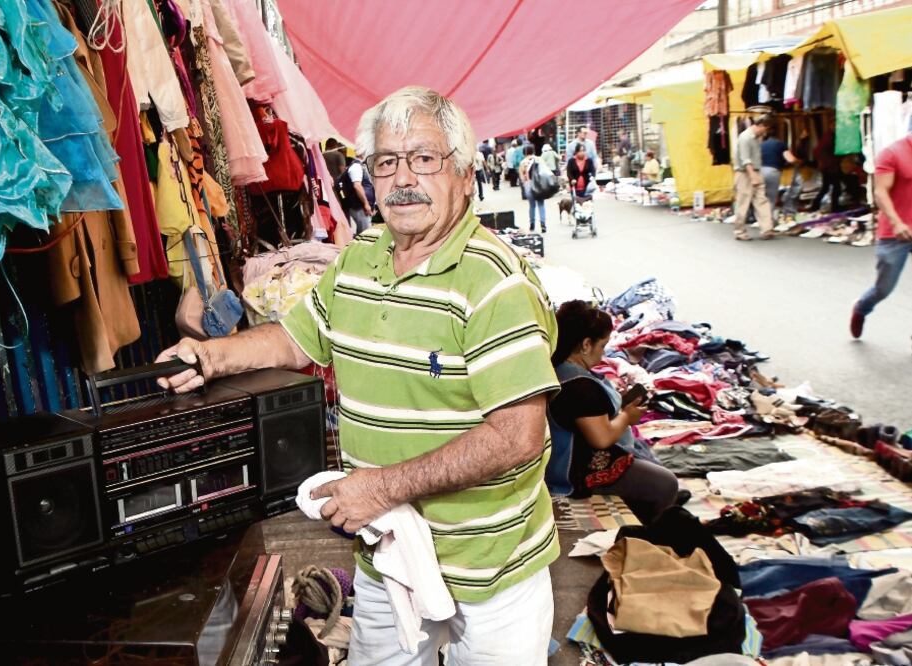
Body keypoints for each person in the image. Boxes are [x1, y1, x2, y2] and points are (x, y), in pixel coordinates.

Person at [155, 86, 560, 665]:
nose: (402, 179)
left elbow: (515, 437)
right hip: (389, 553)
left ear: (465, 174)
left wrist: (378, 488)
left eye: (424, 158)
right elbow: (297, 338)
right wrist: (212, 357)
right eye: (386, 162)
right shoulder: (360, 255)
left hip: (491, 567)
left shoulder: (496, 283)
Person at [546, 300, 678, 524]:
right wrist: (627, 417)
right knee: (667, 484)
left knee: (645, 458)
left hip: (555, 457)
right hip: (571, 473)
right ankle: (646, 537)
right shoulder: (579, 386)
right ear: (586, 344)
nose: (603, 353)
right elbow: (602, 438)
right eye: (602, 345)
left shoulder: (556, 368)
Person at [850, 132, 912, 340]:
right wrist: (896, 222)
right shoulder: (893, 153)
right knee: (884, 288)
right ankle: (861, 308)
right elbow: (880, 192)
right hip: (896, 232)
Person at [732, 115, 775, 241]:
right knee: (743, 202)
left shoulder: (756, 138)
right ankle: (739, 231)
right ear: (761, 125)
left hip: (756, 170)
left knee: (761, 199)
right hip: (745, 173)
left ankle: (767, 229)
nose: (765, 132)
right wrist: (753, 176)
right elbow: (746, 160)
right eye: (765, 128)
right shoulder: (745, 137)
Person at [760, 130, 795, 218]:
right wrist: (798, 161)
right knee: (771, 197)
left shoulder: (761, 144)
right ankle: (768, 221)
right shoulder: (780, 144)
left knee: (761, 196)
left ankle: (759, 218)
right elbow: (790, 159)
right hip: (772, 171)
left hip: (760, 171)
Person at [340, 155, 376, 233]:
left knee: (363, 232)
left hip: (361, 205)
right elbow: (357, 186)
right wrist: (366, 204)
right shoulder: (356, 167)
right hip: (359, 206)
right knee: (365, 233)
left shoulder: (361, 166)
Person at [519, 145, 547, 232]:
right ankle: (543, 224)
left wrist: (525, 183)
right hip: (539, 185)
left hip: (529, 186)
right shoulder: (539, 159)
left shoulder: (523, 162)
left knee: (532, 206)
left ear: (524, 153)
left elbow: (522, 177)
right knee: (541, 205)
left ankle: (532, 224)